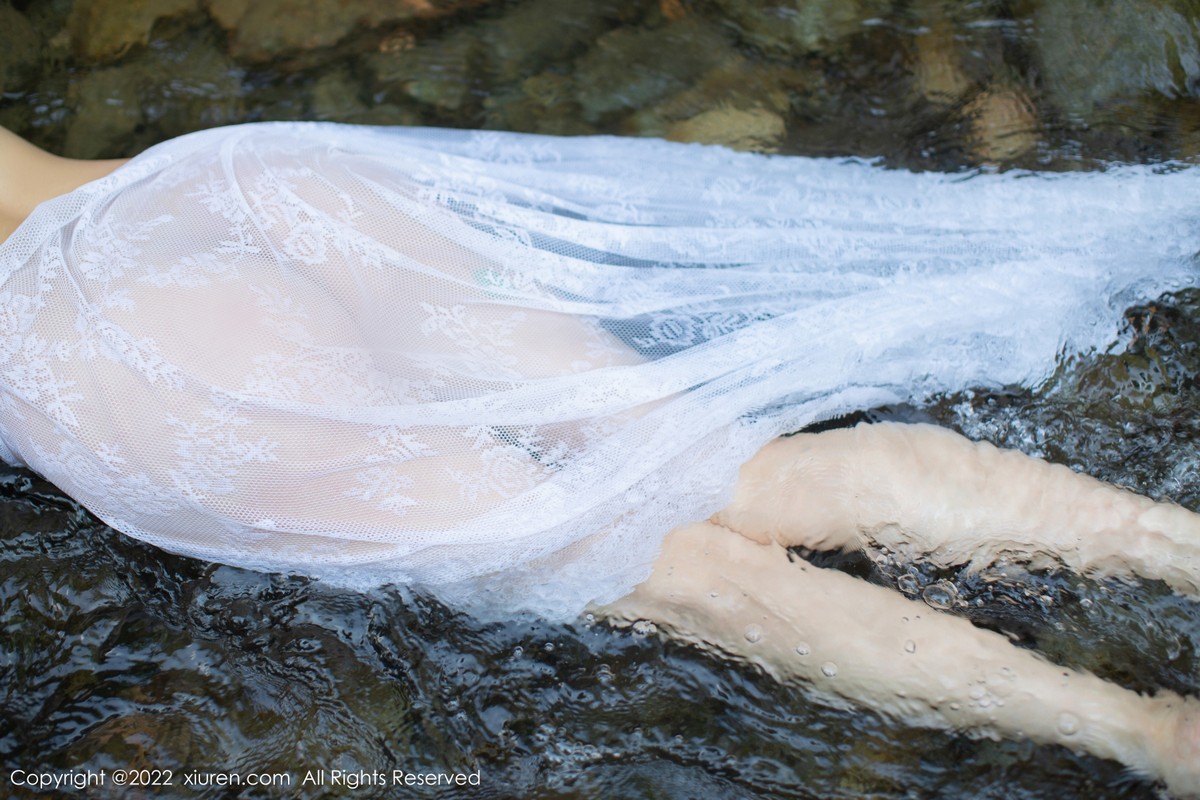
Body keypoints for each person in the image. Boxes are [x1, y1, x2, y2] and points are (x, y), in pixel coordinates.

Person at [1, 122, 1197, 795]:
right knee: (725, 465)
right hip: (235, 192)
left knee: (670, 570)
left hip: (102, 355)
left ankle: (1141, 731)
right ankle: (1172, 543)